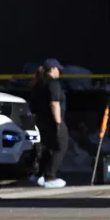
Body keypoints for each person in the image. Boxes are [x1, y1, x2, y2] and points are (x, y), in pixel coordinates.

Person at [31, 59, 68, 188]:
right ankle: (50, 177)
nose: (60, 72)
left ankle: (38, 175)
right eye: (58, 69)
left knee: (46, 148)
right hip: (52, 120)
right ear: (52, 69)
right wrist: (58, 123)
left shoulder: (38, 84)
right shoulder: (53, 83)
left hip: (41, 121)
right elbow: (54, 103)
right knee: (60, 147)